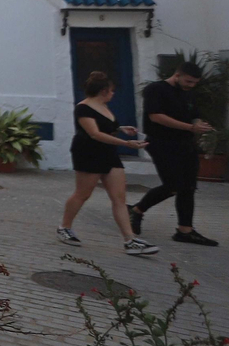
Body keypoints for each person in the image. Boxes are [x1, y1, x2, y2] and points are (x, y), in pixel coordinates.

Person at [57, 71, 158, 254]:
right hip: (88, 153)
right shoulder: (84, 108)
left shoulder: (104, 106)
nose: (113, 94)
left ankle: (130, 240)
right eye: (111, 91)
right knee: (83, 194)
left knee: (119, 198)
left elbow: (104, 126)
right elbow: (94, 133)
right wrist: (126, 143)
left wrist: (119, 128)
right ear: (103, 91)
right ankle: (64, 227)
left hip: (109, 153)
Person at [129, 61, 219, 246]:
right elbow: (156, 117)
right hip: (161, 143)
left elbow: (194, 113)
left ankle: (185, 230)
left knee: (188, 187)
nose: (191, 86)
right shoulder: (156, 90)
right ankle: (137, 210)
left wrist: (200, 124)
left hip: (185, 144)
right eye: (188, 81)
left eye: (194, 83)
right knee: (173, 185)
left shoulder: (188, 93)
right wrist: (190, 127)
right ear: (177, 75)